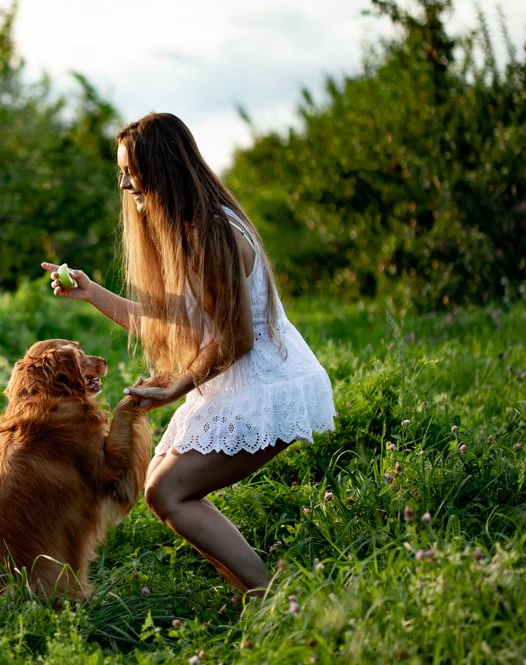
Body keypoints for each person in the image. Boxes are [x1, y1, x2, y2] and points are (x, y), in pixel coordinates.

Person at [40, 112, 335, 599]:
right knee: (163, 488)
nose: (125, 183)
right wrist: (92, 293)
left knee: (168, 491)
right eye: (121, 173)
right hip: (239, 378)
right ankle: (254, 595)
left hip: (264, 383)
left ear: (160, 169)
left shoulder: (212, 233)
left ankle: (272, 597)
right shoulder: (191, 227)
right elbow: (175, 319)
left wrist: (178, 385)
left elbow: (236, 339)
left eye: (130, 171)